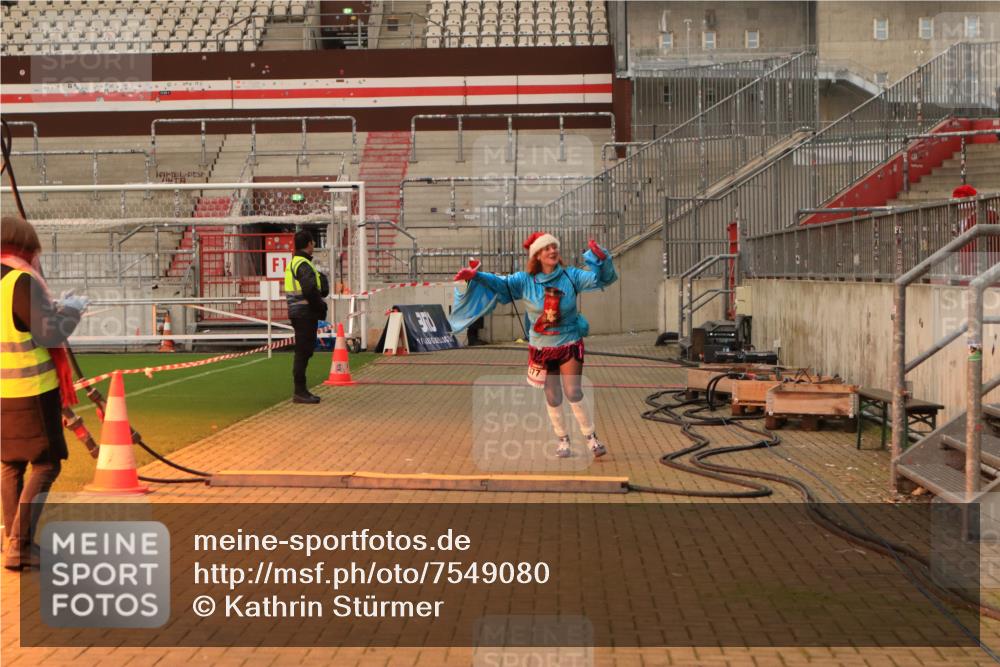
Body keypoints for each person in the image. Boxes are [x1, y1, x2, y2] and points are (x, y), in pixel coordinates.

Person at [449, 232, 618, 459]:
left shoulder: (571, 276)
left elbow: (602, 280)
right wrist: (476, 276)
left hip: (569, 341)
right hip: (541, 347)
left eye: (554, 247)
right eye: (546, 248)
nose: (552, 251)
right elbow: (501, 284)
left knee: (573, 391)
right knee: (552, 395)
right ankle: (562, 439)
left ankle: (591, 438)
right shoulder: (524, 280)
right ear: (537, 255)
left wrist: (602, 259)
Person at [1, 216, 89, 570]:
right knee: (46, 463)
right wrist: (71, 311)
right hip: (31, 390)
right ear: (27, 246)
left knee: (10, 464)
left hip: (3, 390)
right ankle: (19, 544)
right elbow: (50, 334)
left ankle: (13, 541)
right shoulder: (21, 281)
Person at [284, 229, 330, 404]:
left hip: (299, 312)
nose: (314, 246)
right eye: (313, 243)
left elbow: (315, 287)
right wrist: (320, 306)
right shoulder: (302, 264)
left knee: (304, 351)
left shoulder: (296, 263)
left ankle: (301, 390)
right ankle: (300, 391)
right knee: (303, 352)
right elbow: (310, 289)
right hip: (304, 313)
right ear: (309, 244)